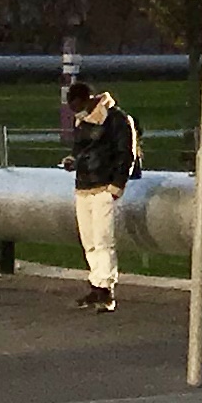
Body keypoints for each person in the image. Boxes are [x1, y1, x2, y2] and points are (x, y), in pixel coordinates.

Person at [63, 80, 140, 314]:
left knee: (103, 238)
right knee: (90, 240)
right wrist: (72, 160)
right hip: (85, 185)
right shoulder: (84, 121)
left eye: (77, 107)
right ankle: (97, 283)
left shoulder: (116, 119)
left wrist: (117, 185)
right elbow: (81, 150)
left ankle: (106, 289)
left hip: (104, 185)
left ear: (86, 99)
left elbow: (126, 152)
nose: (76, 112)